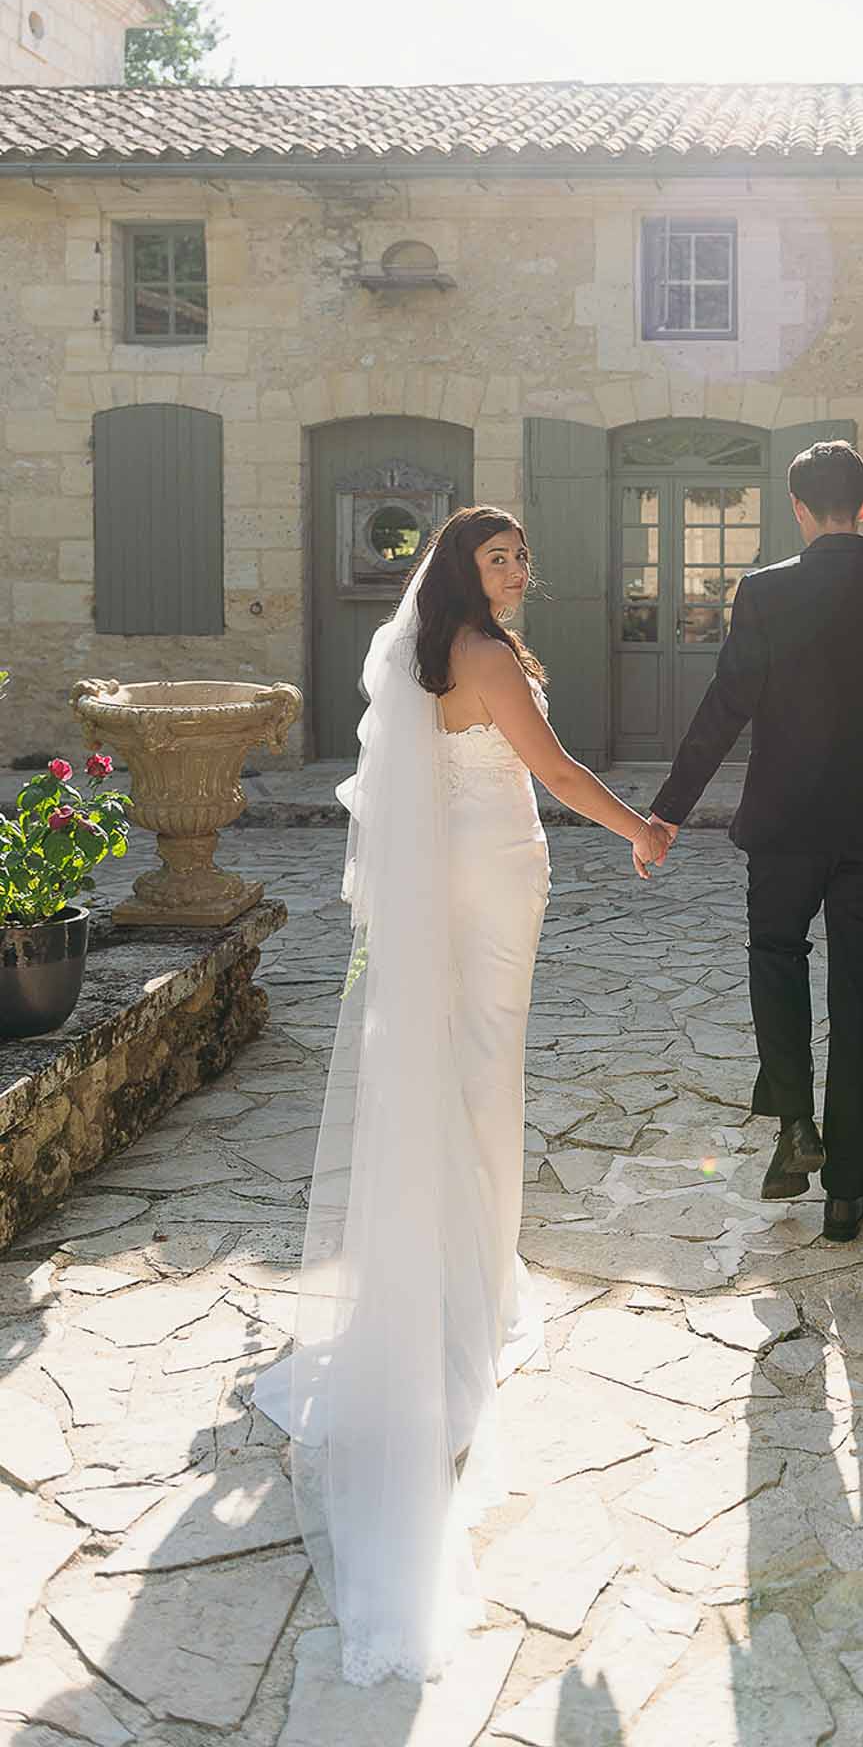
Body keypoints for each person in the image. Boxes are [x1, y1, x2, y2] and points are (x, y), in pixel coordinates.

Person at [253, 505, 667, 1687]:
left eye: (525, 553)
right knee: (486, 1076)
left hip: (462, 880)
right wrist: (637, 826)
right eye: (499, 556)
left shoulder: (426, 655)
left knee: (465, 1072)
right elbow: (553, 769)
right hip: (492, 884)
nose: (518, 568)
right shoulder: (485, 656)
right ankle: (470, 1286)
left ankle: (460, 1273)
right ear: (457, 569)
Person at [648, 441, 863, 1242]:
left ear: (796, 508)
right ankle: (847, 1195)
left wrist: (668, 810)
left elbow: (726, 705)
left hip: (785, 823)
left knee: (774, 956)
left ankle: (793, 1122)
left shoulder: (763, 591)